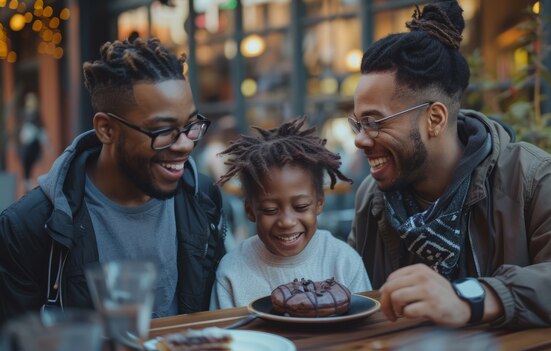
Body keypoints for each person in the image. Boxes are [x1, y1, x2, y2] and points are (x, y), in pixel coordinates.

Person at [347, 2, 551, 329]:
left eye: (375, 123)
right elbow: (358, 295)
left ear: (434, 119)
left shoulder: (529, 176)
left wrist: (474, 297)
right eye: (358, 124)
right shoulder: (373, 197)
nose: (361, 140)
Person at [0, 37, 226, 326]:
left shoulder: (203, 197)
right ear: (106, 129)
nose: (184, 145)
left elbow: (219, 316)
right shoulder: (29, 227)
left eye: (190, 126)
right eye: (163, 130)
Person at [209, 117, 371, 309]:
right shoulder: (232, 272)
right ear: (250, 211)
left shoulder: (344, 261)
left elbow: (364, 326)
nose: (286, 221)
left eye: (301, 207)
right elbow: (228, 337)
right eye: (270, 210)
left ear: (319, 203)